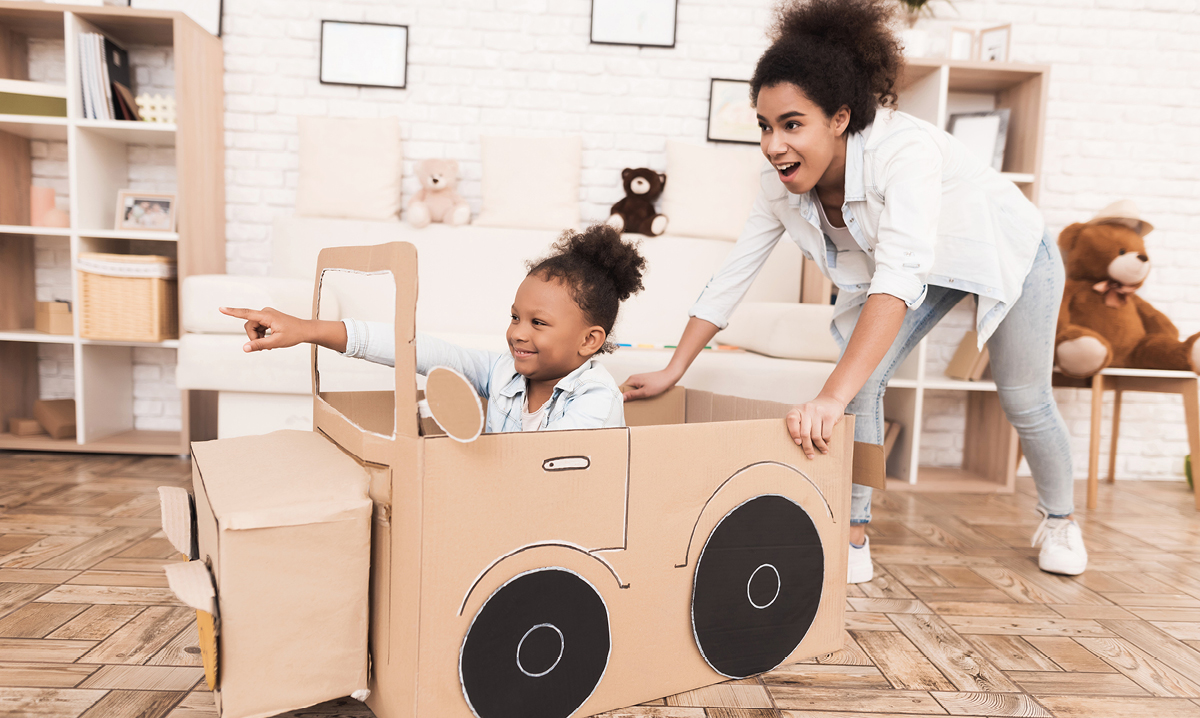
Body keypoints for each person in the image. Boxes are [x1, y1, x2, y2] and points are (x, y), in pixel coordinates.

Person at [622, 0, 1086, 582]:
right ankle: (853, 535)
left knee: (1023, 398)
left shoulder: (902, 152)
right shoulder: (778, 185)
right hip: (913, 265)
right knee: (860, 376)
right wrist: (674, 368)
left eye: (792, 124)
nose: (773, 144)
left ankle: (1061, 520)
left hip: (1004, 248)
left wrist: (829, 398)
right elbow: (734, 273)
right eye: (764, 126)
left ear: (839, 118)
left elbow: (898, 276)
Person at [221, 224, 646, 432]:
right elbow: (416, 349)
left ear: (589, 340)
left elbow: (544, 476)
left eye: (538, 323)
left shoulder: (595, 399)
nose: (518, 333)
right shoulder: (504, 372)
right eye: (515, 317)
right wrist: (308, 329)